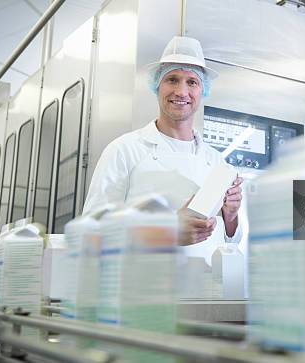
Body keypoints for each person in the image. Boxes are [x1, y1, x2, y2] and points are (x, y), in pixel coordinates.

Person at [83, 36, 243, 264]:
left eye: (192, 82)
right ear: (157, 86)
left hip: (206, 292)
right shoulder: (124, 150)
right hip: (143, 290)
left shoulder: (218, 162)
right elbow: (91, 232)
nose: (181, 91)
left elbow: (231, 244)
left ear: (202, 91)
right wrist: (167, 232)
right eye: (172, 79)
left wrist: (231, 216)